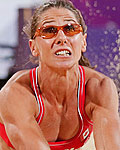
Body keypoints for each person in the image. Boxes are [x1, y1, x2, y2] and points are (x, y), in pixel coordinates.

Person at [0, 0, 120, 150]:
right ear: (33, 47)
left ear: (83, 42)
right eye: (49, 30)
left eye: (70, 29)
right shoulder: (16, 94)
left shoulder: (100, 88)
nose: (62, 38)